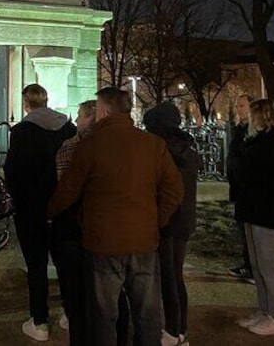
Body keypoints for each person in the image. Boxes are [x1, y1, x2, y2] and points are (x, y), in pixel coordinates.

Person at [48, 87, 184, 346]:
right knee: (147, 314)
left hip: (103, 243)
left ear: (105, 110)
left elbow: (68, 189)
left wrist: (50, 212)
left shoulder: (91, 145)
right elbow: (174, 189)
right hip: (143, 241)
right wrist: (157, 219)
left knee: (104, 316)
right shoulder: (152, 144)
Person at [4, 83, 76, 342]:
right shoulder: (68, 128)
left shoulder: (22, 131)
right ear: (46, 100)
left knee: (36, 266)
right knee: (65, 263)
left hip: (32, 210)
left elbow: (14, 172)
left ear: (26, 103)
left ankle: (40, 321)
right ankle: (70, 313)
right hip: (63, 208)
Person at [142, 102, 201, 346]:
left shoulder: (159, 150)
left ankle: (173, 330)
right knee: (175, 275)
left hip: (166, 220)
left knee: (167, 276)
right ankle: (180, 329)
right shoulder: (187, 148)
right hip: (184, 219)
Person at [234, 100, 274, 337]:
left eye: (253, 114)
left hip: (266, 212)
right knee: (257, 266)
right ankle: (264, 309)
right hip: (253, 208)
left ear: (263, 116)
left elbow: (252, 169)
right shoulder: (258, 141)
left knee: (269, 266)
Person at [49, 99, 97, 346]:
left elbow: (64, 189)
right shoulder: (115, 146)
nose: (76, 120)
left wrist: (51, 212)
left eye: (80, 115)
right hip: (104, 228)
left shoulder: (71, 147)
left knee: (75, 292)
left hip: (73, 227)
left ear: (92, 117)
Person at [227, 94, 254, 283]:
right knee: (243, 229)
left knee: (250, 231)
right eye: (237, 106)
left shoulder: (251, 131)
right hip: (239, 188)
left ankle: (253, 267)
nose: (239, 109)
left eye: (242, 106)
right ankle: (248, 264)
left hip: (247, 188)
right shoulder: (239, 129)